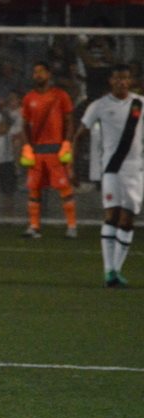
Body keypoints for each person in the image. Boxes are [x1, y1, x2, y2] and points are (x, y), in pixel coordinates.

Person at [73, 64, 143, 288]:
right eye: (117, 78)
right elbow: (79, 136)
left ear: (130, 80)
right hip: (112, 168)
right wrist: (73, 168)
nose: (121, 82)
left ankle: (116, 270)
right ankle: (108, 271)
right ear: (110, 81)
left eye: (125, 78)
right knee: (111, 215)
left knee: (127, 219)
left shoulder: (139, 103)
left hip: (136, 169)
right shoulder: (99, 105)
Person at [20, 61, 77, 239]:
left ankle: (71, 226)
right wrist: (27, 146)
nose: (37, 75)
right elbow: (24, 124)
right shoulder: (29, 98)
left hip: (56, 149)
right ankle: (34, 226)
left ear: (49, 74)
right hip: (37, 150)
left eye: (41, 71)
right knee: (34, 189)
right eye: (35, 72)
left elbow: (69, 121)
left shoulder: (60, 95)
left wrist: (67, 143)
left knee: (64, 188)